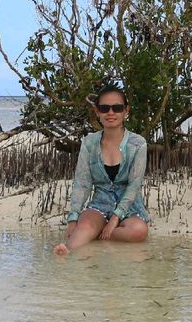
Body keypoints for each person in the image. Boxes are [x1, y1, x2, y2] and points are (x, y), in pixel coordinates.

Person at [53, 85, 150, 255]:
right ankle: (66, 251)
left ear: (126, 111)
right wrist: (73, 217)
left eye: (117, 108)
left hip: (130, 208)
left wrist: (115, 218)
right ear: (97, 112)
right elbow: (82, 183)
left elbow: (134, 185)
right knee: (84, 227)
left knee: (139, 231)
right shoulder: (88, 143)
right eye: (104, 108)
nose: (110, 113)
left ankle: (98, 234)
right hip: (99, 205)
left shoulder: (138, 143)